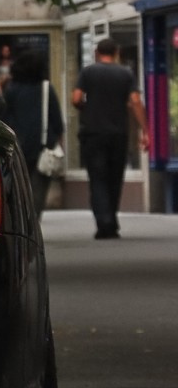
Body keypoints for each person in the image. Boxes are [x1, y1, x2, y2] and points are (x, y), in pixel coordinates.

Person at [72, 38, 149, 240]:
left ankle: (103, 222)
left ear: (97, 52)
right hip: (118, 134)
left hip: (93, 133)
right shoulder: (125, 74)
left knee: (97, 179)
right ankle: (112, 221)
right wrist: (145, 130)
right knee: (114, 179)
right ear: (116, 52)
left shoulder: (88, 72)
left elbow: (76, 98)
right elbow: (135, 101)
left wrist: (86, 108)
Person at [0, 49, 65, 214]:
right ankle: (33, 222)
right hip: (42, 145)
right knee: (38, 190)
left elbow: (3, 115)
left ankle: (21, 220)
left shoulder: (12, 90)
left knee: (17, 188)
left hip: (17, 145)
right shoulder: (46, 88)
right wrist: (59, 141)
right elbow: (56, 119)